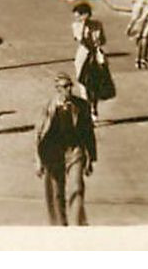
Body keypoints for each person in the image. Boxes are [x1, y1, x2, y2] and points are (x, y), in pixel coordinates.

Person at [36, 73, 97, 226]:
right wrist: (38, 161)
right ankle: (60, 225)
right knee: (57, 192)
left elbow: (88, 132)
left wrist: (91, 158)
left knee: (77, 187)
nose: (69, 90)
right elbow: (39, 135)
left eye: (70, 86)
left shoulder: (82, 105)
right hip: (54, 153)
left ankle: (76, 225)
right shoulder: (48, 107)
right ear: (57, 89)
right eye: (65, 87)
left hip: (75, 151)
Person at [70, 2, 115, 123]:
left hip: (96, 56)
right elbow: (80, 39)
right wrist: (84, 26)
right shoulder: (76, 26)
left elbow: (103, 40)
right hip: (83, 56)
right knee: (84, 83)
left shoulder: (98, 24)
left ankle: (94, 109)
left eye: (79, 16)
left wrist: (97, 43)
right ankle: (87, 111)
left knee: (95, 84)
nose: (77, 18)